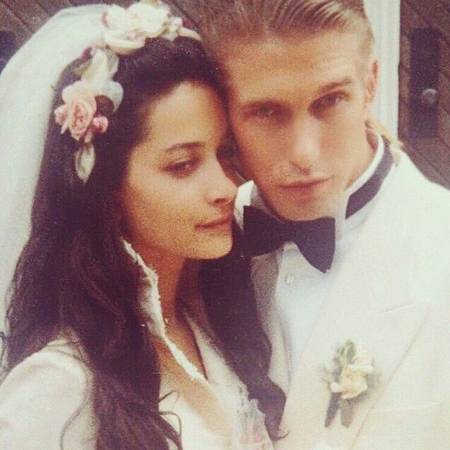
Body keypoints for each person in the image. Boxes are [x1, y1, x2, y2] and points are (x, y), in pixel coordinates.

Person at [0, 3, 285, 449]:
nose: (224, 187)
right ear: (109, 193)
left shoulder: (214, 322)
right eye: (184, 165)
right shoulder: (59, 384)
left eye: (224, 154)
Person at [167, 0, 450, 449]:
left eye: (330, 100)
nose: (303, 152)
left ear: (371, 81)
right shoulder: (185, 243)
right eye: (266, 111)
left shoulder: (440, 245)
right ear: (224, 114)